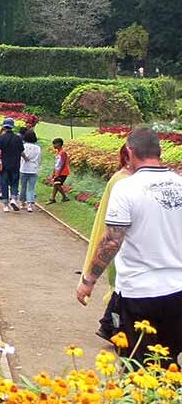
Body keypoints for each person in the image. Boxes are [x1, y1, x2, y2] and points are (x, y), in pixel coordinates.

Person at [76, 128, 182, 363]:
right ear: (159, 151)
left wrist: (88, 281)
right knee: (169, 364)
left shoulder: (126, 188)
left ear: (130, 151)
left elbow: (112, 240)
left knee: (135, 364)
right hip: (177, 292)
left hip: (139, 294)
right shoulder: (179, 183)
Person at [83, 146, 132, 340]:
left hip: (125, 243)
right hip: (120, 244)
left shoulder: (125, 179)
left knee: (119, 293)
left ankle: (110, 326)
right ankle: (114, 328)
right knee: (118, 292)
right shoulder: (122, 181)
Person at [0, 118, 24, 212]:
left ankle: (5, 205)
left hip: (4, 165)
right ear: (12, 127)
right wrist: (26, 158)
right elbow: (21, 151)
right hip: (15, 164)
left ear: (4, 127)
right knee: (14, 182)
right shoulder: (17, 138)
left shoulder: (0, 138)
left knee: (4, 183)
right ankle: (14, 199)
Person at [19, 129, 42, 213]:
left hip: (24, 168)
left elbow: (21, 156)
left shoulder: (23, 146)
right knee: (31, 188)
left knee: (23, 186)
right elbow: (39, 159)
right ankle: (30, 204)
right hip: (34, 169)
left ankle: (22, 202)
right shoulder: (38, 148)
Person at [48, 138, 71, 203]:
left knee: (57, 185)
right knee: (56, 185)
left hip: (63, 172)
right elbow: (57, 164)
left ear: (58, 144)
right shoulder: (58, 152)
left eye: (54, 144)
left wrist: (58, 173)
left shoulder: (63, 153)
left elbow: (62, 164)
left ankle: (64, 197)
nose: (53, 145)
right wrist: (54, 172)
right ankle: (52, 198)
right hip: (58, 172)